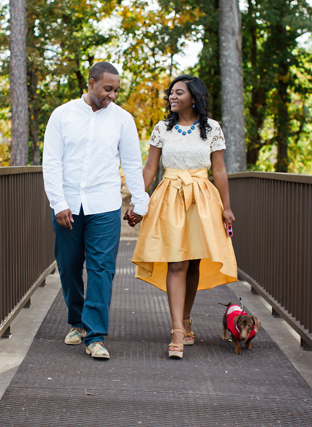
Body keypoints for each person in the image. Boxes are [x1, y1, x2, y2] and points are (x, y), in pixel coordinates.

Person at [42, 62, 150, 359]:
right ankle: (77, 322)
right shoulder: (62, 115)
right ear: (91, 84)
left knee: (102, 269)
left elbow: (131, 164)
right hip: (68, 206)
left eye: (116, 90)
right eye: (107, 89)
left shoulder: (123, 120)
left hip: (105, 205)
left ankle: (96, 335)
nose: (112, 95)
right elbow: (51, 162)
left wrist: (140, 202)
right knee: (69, 267)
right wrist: (59, 203)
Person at [126, 75, 238, 359]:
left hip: (202, 198)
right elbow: (150, 168)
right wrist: (138, 202)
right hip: (171, 196)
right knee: (176, 263)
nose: (172, 97)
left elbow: (220, 170)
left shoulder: (212, 128)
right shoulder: (163, 128)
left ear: (194, 97)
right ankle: (177, 329)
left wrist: (226, 207)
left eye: (178, 93)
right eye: (170, 93)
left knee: (194, 264)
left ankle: (186, 319)